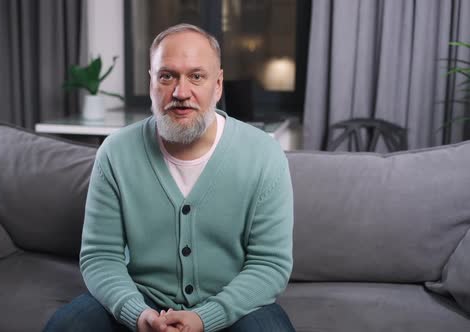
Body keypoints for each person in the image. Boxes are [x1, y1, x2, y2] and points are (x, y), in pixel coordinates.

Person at [43, 23, 295, 332]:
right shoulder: (115, 153)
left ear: (217, 85)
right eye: (167, 76)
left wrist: (205, 318)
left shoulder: (264, 155)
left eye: (196, 77)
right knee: (67, 326)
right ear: (151, 82)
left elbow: (269, 266)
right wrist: (137, 313)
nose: (180, 92)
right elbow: (100, 257)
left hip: (234, 307)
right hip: (141, 299)